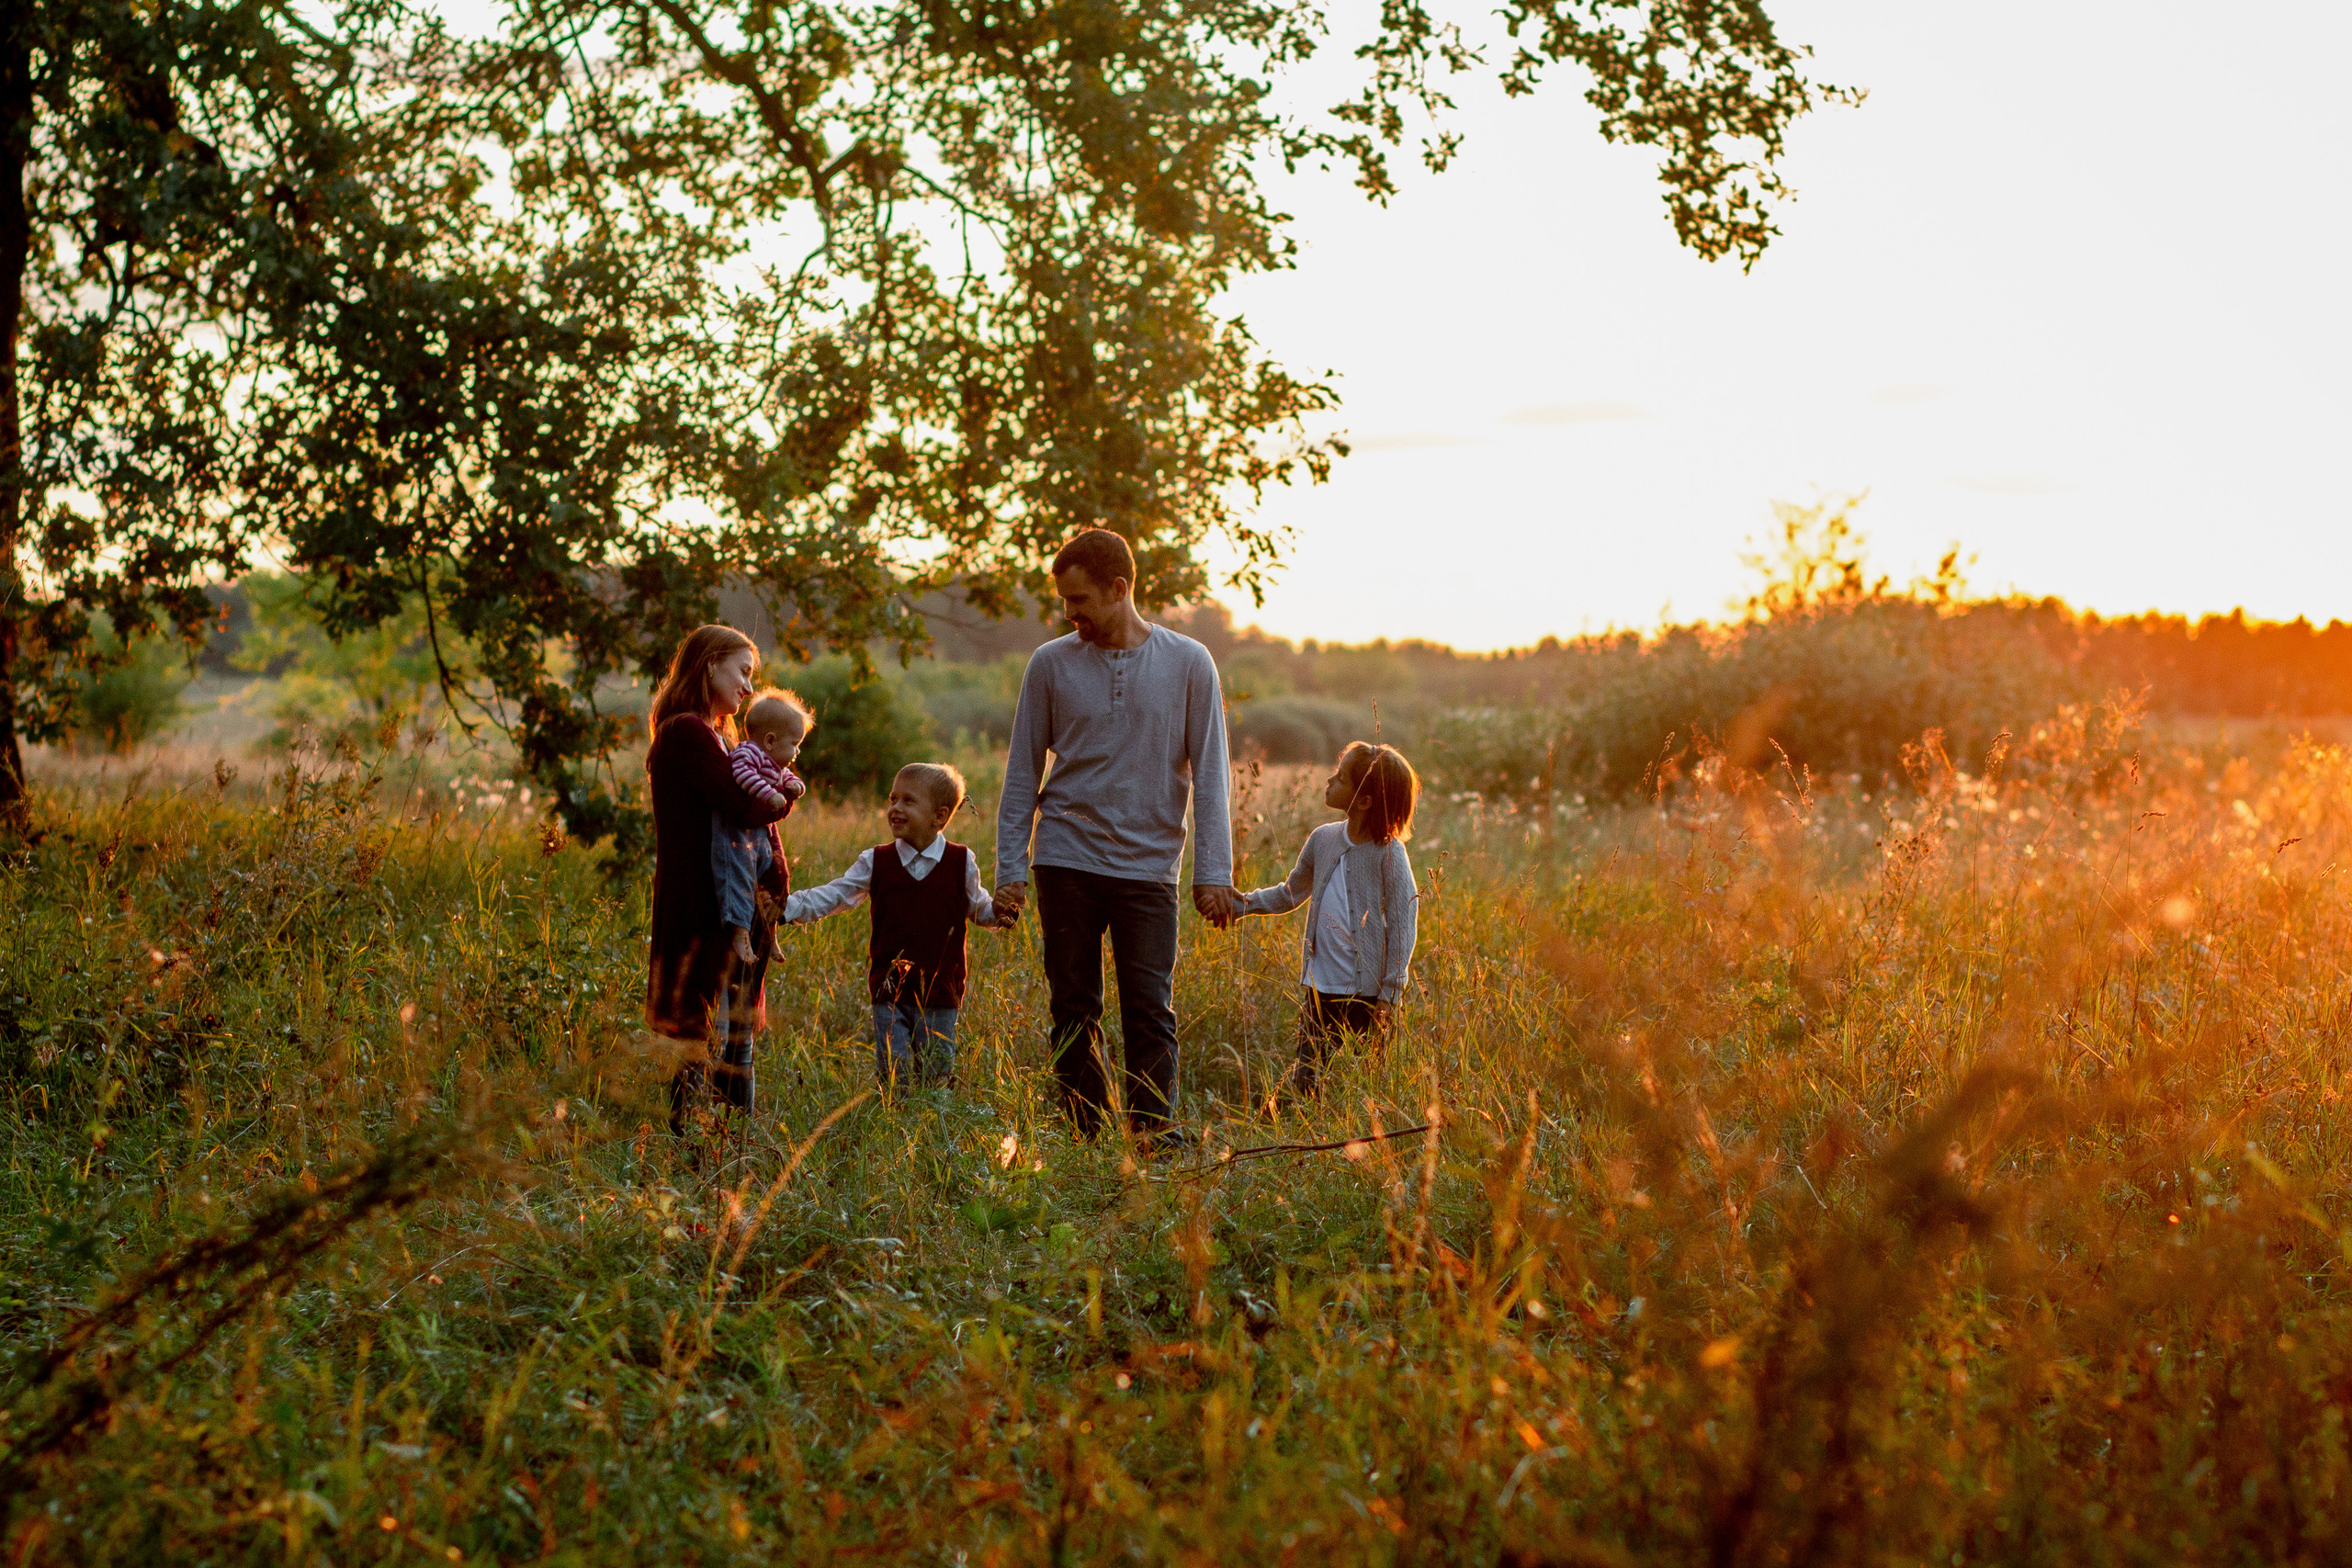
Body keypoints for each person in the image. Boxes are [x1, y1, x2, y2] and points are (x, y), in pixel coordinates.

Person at [993, 528, 1236, 1148]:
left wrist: (1214, 872)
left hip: (1149, 866)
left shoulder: (1190, 663)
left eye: (1079, 600)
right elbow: (1022, 772)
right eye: (1064, 601)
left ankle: (1154, 1139)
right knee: (1072, 1007)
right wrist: (1011, 867)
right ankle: (1088, 1139)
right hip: (1065, 857)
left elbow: (1211, 773)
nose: (1068, 614)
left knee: (1150, 1008)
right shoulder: (1050, 664)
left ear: (1119, 588)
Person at [643, 626, 797, 1133]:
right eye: (743, 672)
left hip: (730, 909)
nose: (750, 688)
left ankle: (732, 1151)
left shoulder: (719, 737)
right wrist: (784, 794)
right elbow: (744, 807)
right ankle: (697, 1153)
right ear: (710, 665)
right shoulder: (687, 732)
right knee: (702, 1038)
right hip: (702, 909)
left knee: (733, 1038)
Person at [786, 762, 1012, 1088]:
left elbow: (979, 909)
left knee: (935, 1080)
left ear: (939, 816)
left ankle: (931, 1119)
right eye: (893, 799)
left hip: (941, 994)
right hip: (888, 991)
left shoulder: (961, 861)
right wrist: (786, 908)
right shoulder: (876, 860)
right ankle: (896, 1116)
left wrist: (1000, 912)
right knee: (894, 1077)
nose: (895, 808)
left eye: (908, 800)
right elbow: (835, 894)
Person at [1233, 742, 1420, 1098]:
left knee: (1364, 1089)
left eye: (1341, 778)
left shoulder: (1389, 853)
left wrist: (1390, 993)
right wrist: (1240, 904)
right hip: (1320, 989)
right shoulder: (1322, 839)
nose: (1330, 780)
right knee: (1307, 1080)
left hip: (1368, 997)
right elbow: (1290, 893)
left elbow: (1403, 922)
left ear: (1364, 801)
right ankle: (1307, 1124)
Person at [716, 688, 811, 964]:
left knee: (777, 878)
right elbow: (742, 775)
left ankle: (771, 933)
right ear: (770, 740)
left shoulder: (775, 764)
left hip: (764, 832)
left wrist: (795, 786)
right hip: (740, 834)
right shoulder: (747, 753)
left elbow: (788, 777)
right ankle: (740, 932)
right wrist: (770, 795)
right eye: (794, 744)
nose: (797, 751)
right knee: (741, 880)